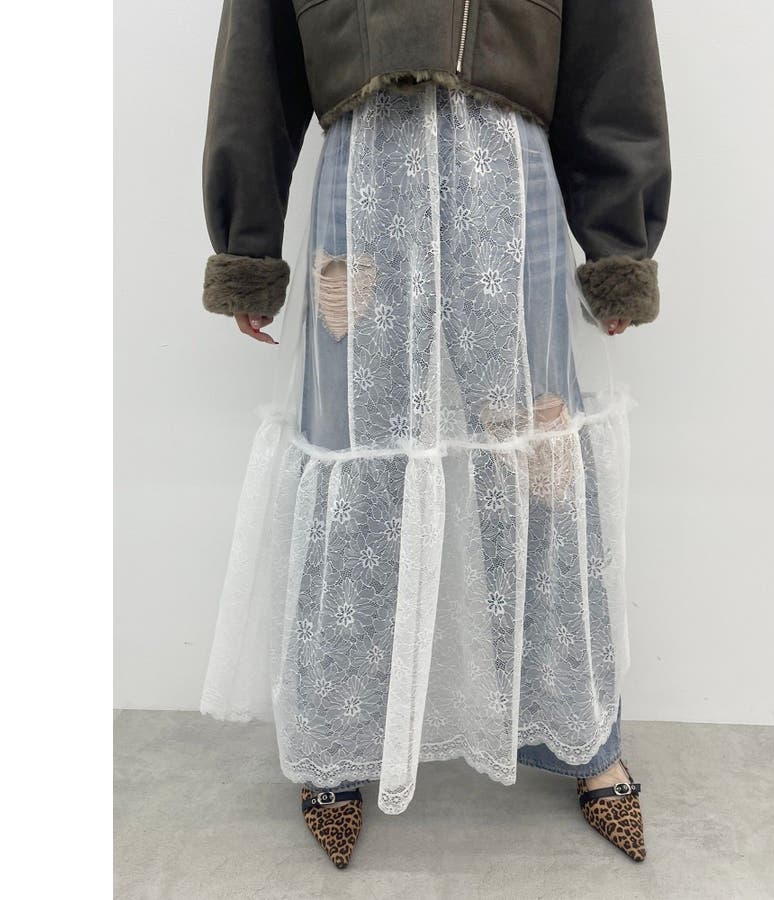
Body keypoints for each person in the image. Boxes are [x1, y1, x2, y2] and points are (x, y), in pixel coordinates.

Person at [199, 0, 670, 870]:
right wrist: (248, 248)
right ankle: (337, 743)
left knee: (537, 456)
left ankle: (581, 735)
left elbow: (612, 49)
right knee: (358, 458)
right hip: (364, 175)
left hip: (510, 172)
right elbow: (254, 58)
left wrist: (620, 245)